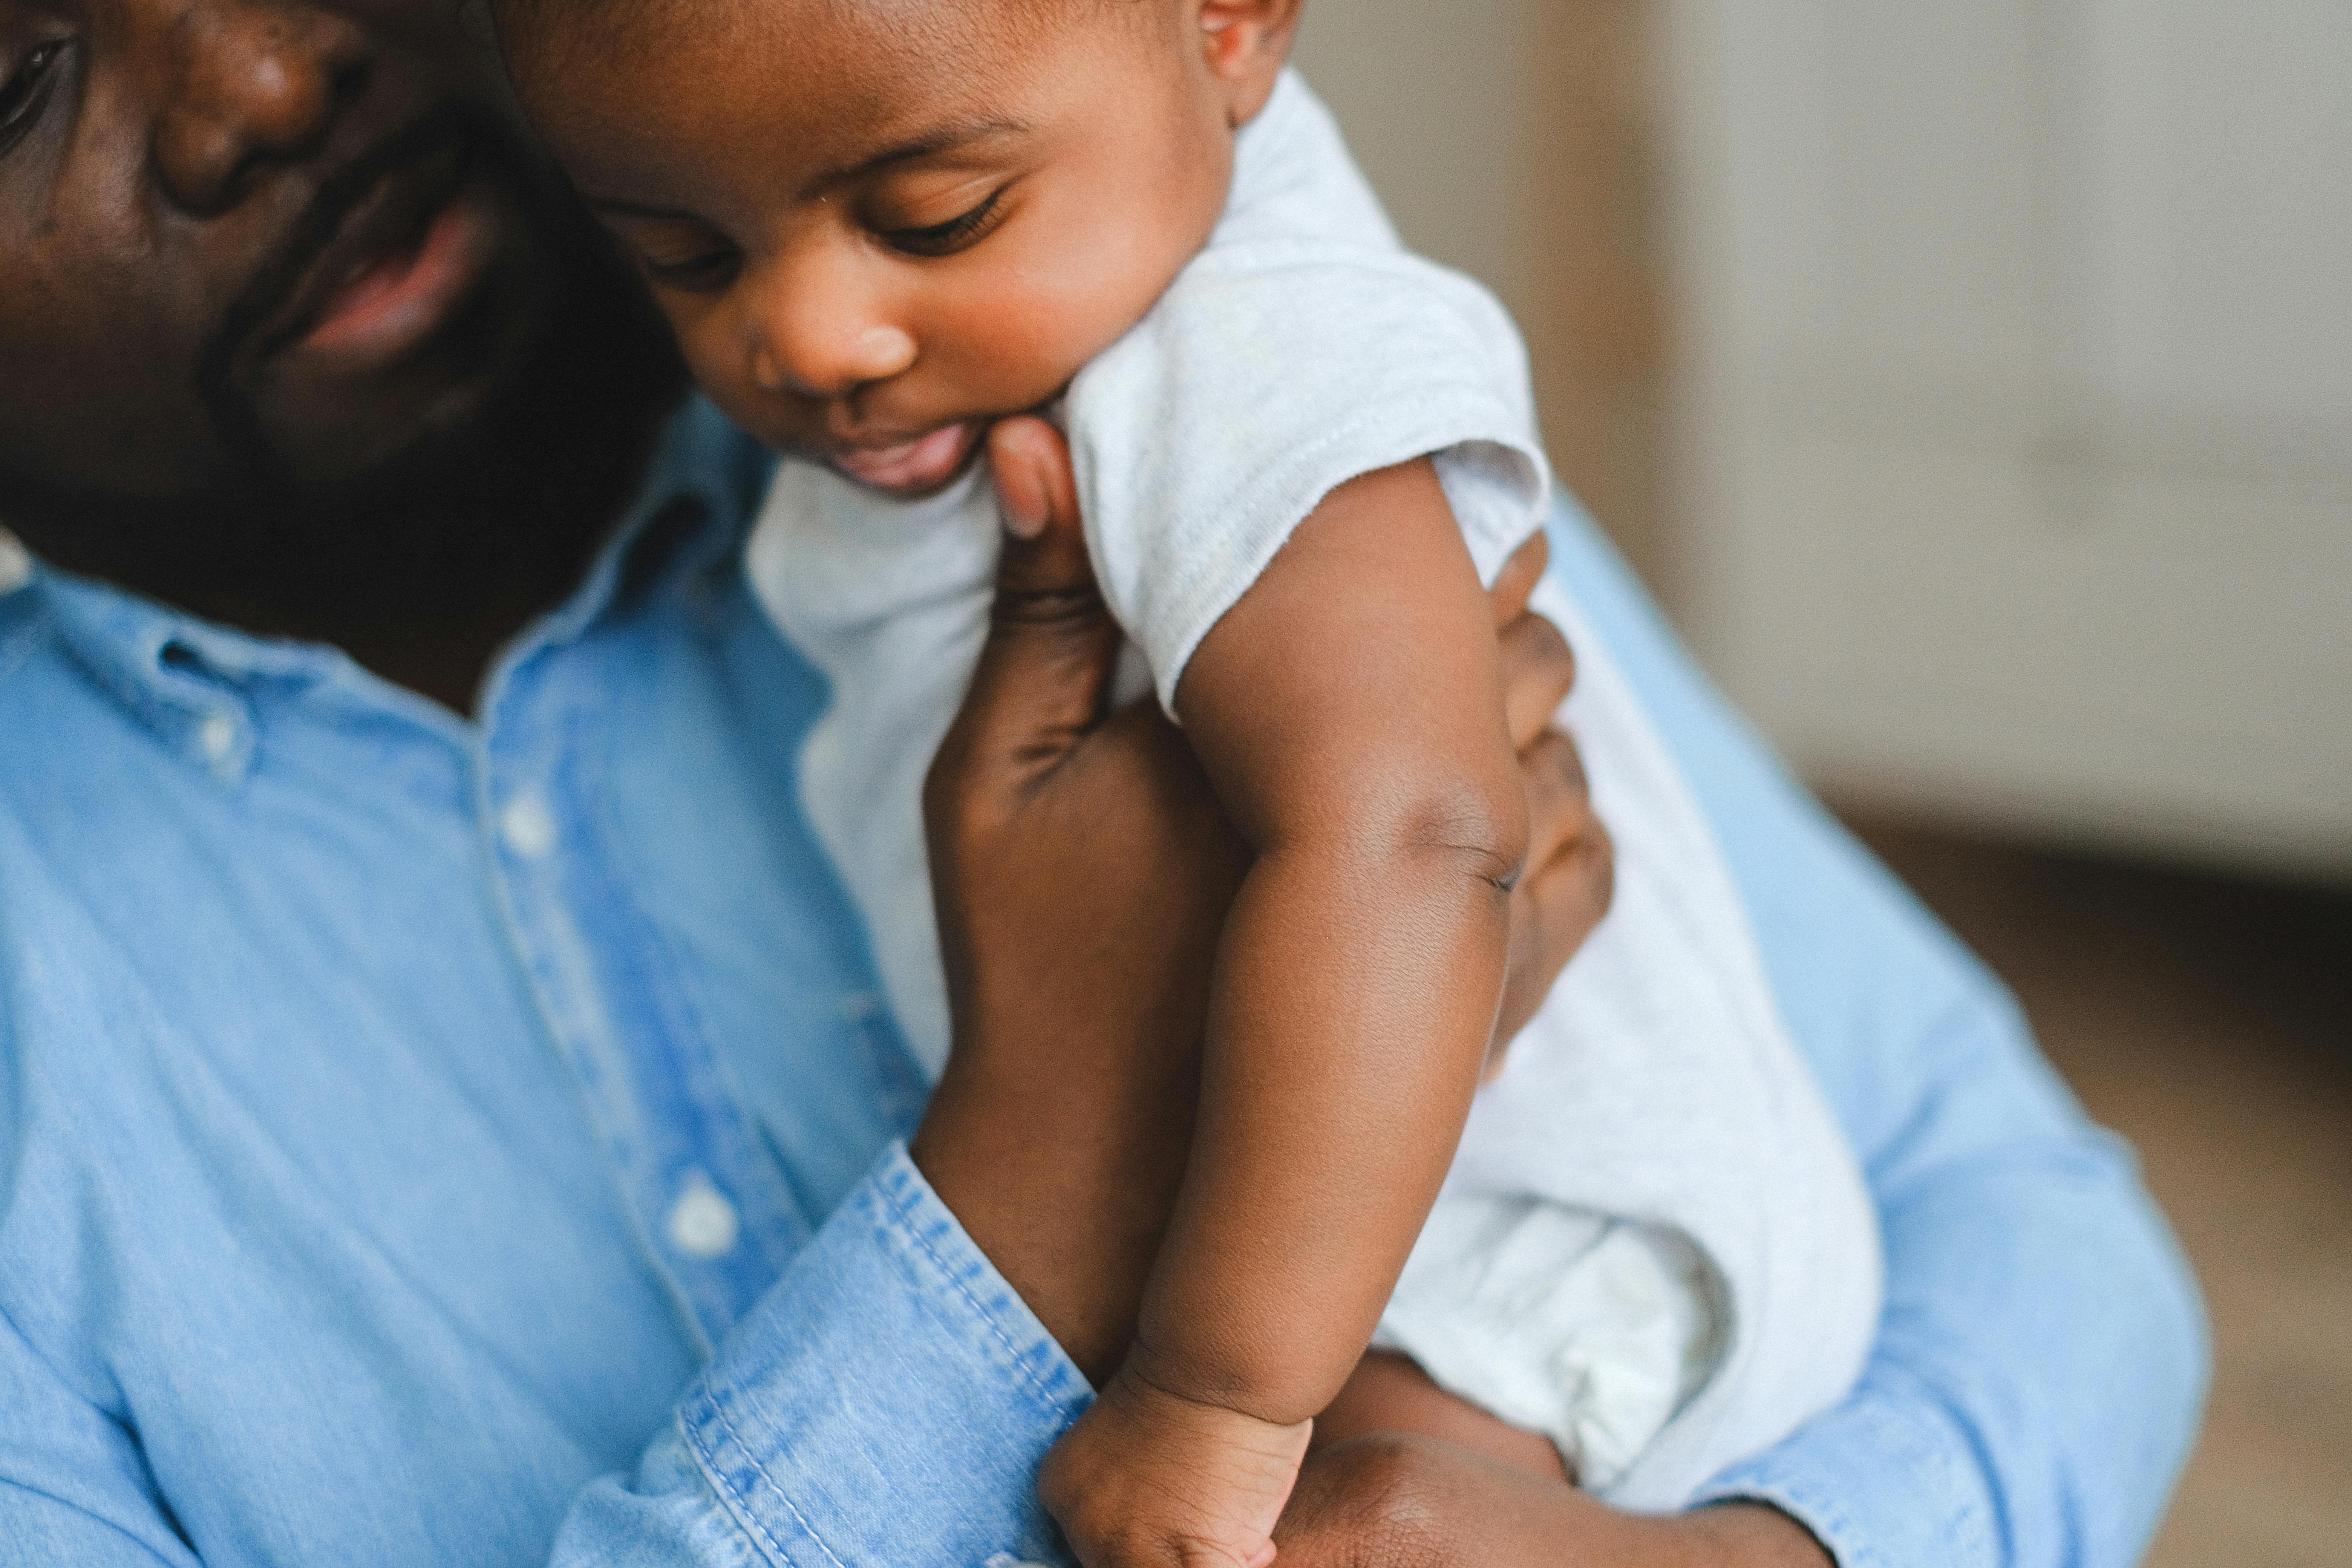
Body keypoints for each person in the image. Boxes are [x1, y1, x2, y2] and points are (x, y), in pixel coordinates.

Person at [0, 2, 2203, 1568]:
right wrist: (1043, 1171)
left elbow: (2033, 1227)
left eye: (922, 210)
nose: (265, 79)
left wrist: (1742, 1564)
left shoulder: (1171, 368)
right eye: (19, 74)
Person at [488, 0, 1880, 1557]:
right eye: (686, 254)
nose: (806, 336)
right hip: (1341, 1247)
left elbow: (1416, 829)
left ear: (1229, 27)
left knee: (1332, 1529)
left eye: (934, 216)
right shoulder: (1030, 306)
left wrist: (1216, 1398)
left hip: (1514, 1237)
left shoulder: (1249, 353)